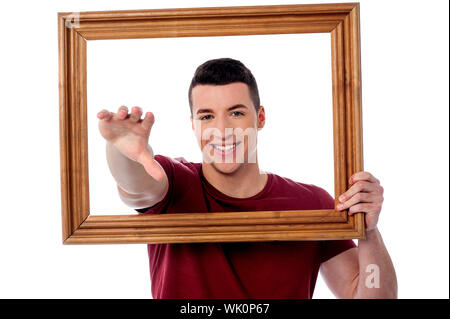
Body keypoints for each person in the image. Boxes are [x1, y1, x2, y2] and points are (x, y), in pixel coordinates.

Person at [97, 58, 397, 299]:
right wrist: (123, 153)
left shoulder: (312, 203)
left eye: (236, 113)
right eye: (206, 116)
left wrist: (368, 230)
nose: (222, 129)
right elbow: (137, 188)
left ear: (260, 117)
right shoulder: (176, 183)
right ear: (193, 125)